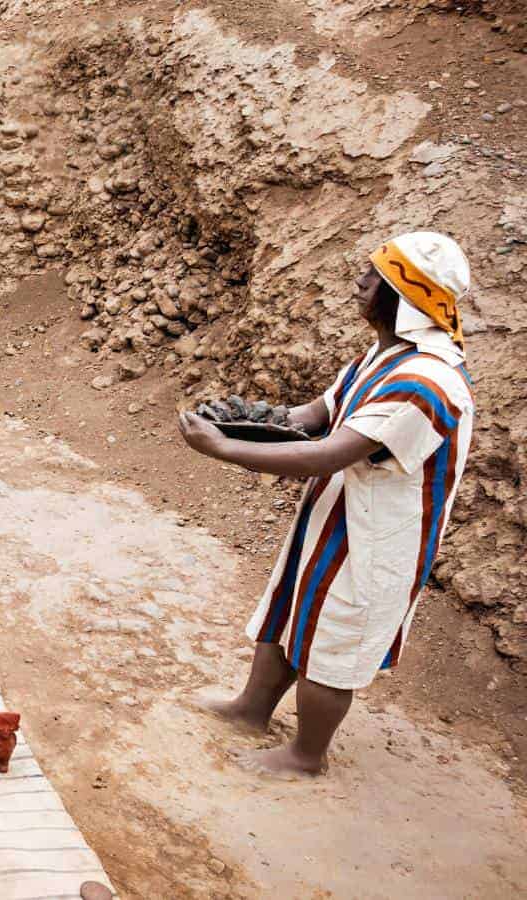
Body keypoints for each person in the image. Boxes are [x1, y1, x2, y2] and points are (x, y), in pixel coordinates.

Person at [178, 232, 475, 777]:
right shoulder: (383, 358)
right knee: (292, 611)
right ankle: (251, 711)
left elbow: (331, 454)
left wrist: (222, 448)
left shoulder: (425, 380)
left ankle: (304, 755)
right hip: (336, 515)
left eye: (375, 278)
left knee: (335, 637)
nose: (361, 283)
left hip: (378, 534)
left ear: (405, 296)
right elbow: (314, 416)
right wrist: (247, 422)